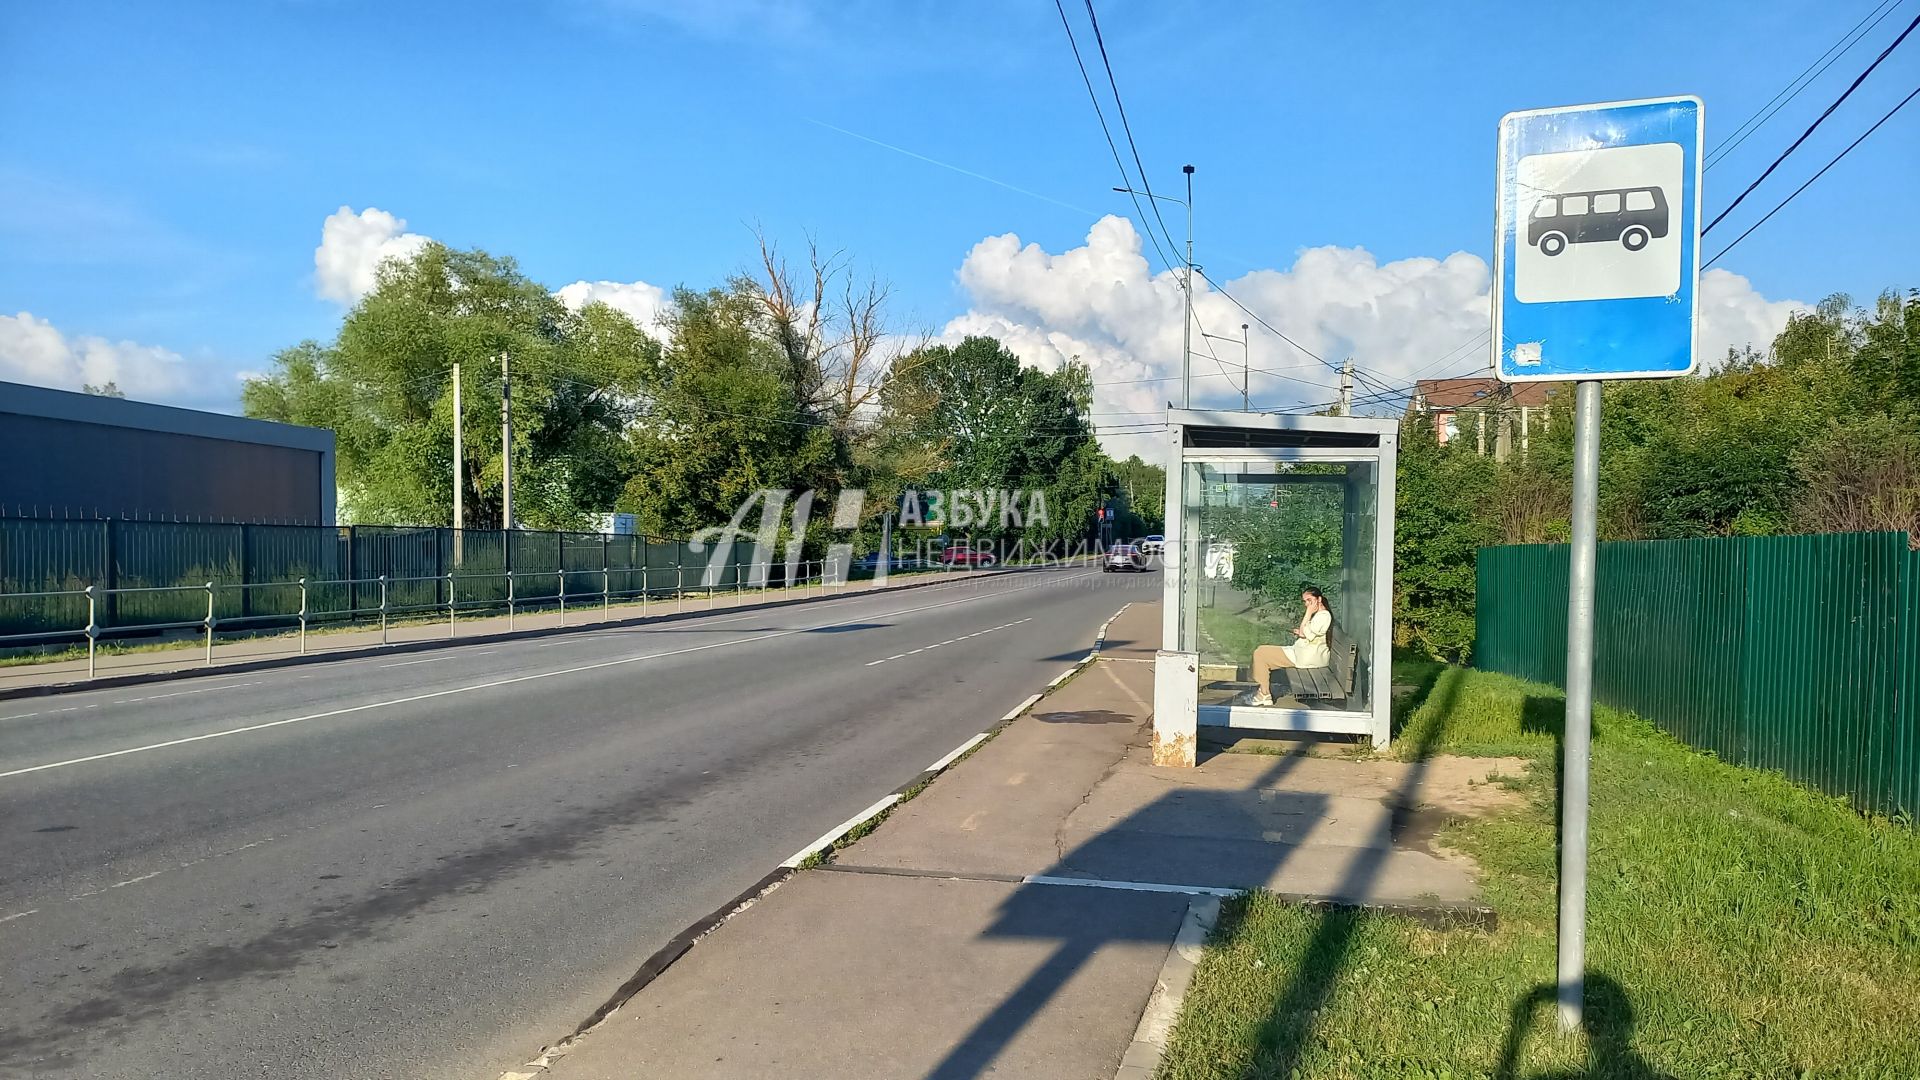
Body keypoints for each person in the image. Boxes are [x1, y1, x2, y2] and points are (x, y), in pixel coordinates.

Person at [1247, 587, 1332, 707]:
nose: (1307, 604)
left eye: (1309, 600)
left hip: (1306, 657)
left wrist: (1307, 614)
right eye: (1305, 601)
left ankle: (1264, 694)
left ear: (1319, 599)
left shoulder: (1324, 616)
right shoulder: (1320, 615)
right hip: (1302, 652)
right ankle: (1263, 692)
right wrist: (1302, 631)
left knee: (1260, 654)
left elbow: (1304, 633)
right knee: (1261, 652)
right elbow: (1307, 633)